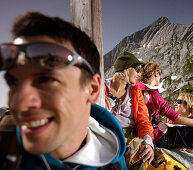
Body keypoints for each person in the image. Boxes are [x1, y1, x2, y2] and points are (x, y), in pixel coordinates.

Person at [0, 12, 127, 169]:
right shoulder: (4, 147)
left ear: (92, 89)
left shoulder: (113, 160)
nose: (18, 104)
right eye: (13, 82)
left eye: (46, 80)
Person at [137, 62, 193, 170]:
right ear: (156, 74)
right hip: (160, 136)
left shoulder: (137, 88)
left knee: (187, 134)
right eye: (159, 74)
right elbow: (178, 119)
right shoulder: (154, 95)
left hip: (148, 134)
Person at [104, 51, 154, 164]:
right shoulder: (102, 88)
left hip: (131, 140)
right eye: (137, 68)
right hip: (107, 136)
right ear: (126, 68)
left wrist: (148, 142)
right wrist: (97, 98)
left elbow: (144, 121)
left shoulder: (135, 92)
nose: (139, 73)